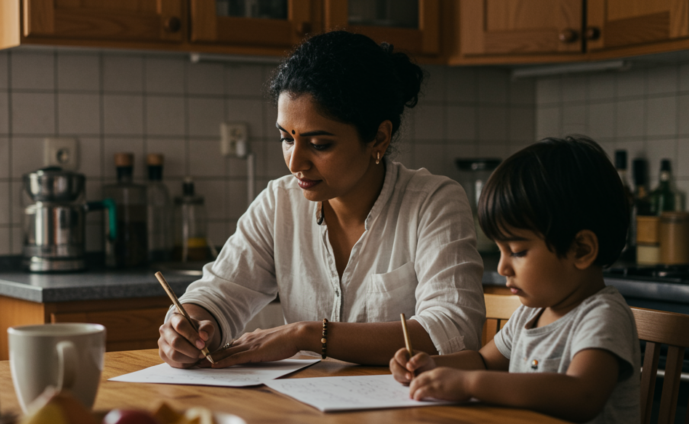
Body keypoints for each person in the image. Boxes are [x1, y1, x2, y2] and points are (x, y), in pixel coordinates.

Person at [157, 30, 485, 368]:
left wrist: (307, 335)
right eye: (286, 138)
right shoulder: (278, 203)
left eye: (319, 144)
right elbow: (219, 293)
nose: (295, 163)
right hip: (306, 411)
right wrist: (190, 326)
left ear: (379, 138)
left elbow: (455, 331)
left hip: (408, 412)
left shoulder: (434, 202)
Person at [390, 136, 640, 424]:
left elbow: (582, 394)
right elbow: (483, 361)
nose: (502, 267)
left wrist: (471, 385)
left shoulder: (601, 316)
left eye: (518, 251)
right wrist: (431, 365)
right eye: (500, 250)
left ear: (581, 249)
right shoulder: (530, 314)